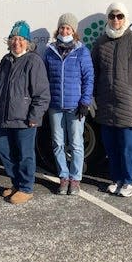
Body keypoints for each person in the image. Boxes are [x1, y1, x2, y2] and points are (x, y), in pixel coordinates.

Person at [91, 3, 132, 198]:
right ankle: (116, 179)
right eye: (112, 16)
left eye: (119, 16)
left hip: (128, 103)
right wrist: (91, 95)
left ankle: (128, 181)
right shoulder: (100, 42)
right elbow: (93, 72)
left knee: (128, 145)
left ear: (125, 18)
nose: (116, 20)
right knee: (110, 145)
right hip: (106, 103)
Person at [0, 20, 50, 205]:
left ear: (28, 41)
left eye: (21, 39)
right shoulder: (5, 60)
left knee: (25, 154)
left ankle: (26, 187)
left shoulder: (33, 61)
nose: (17, 42)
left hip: (24, 119)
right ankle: (16, 183)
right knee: (4, 151)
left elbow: (42, 93)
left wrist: (35, 115)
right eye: (13, 39)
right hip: (3, 117)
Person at [44, 13, 94, 195]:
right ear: (58, 29)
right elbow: (44, 78)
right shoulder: (50, 51)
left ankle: (75, 179)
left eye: (68, 28)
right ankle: (63, 177)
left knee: (76, 143)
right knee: (57, 143)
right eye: (62, 27)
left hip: (75, 106)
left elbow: (89, 78)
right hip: (55, 106)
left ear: (74, 32)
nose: (65, 31)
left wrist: (85, 102)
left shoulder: (82, 51)